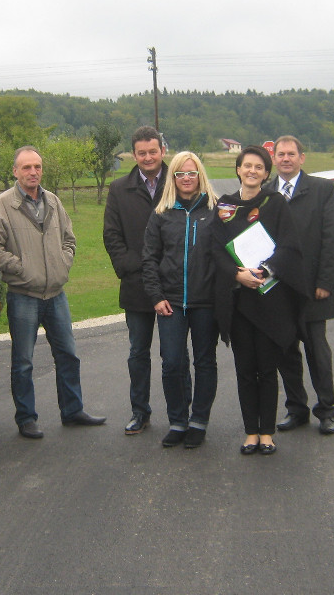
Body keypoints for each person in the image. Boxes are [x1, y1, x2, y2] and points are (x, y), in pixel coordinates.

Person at [0, 146, 106, 438]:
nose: (33, 172)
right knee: (23, 362)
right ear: (15, 171)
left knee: (68, 355)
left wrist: (63, 263)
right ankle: (26, 418)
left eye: (37, 166)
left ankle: (72, 410)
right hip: (23, 295)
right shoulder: (2, 206)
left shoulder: (53, 201)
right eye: (26, 167)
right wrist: (22, 269)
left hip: (56, 295)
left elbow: (69, 239)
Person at [210, 145, 308, 455]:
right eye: (247, 165)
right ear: (238, 169)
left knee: (266, 369)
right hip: (238, 301)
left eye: (259, 167)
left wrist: (265, 270)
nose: (252, 171)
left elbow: (289, 246)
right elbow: (215, 249)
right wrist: (236, 274)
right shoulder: (224, 207)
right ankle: (250, 432)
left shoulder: (275, 204)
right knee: (244, 369)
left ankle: (267, 433)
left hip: (269, 299)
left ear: (266, 174)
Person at [141, 151, 219, 449]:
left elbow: (226, 254)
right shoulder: (161, 213)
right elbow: (149, 258)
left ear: (200, 176)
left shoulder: (214, 210)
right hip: (170, 302)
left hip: (205, 301)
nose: (187, 179)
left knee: (205, 362)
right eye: (180, 174)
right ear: (173, 178)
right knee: (172, 362)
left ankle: (198, 421)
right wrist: (156, 296)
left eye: (191, 173)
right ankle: (178, 420)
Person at [272, 135, 334, 435]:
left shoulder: (322, 190)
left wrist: (325, 281)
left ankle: (326, 410)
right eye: (281, 154)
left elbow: (332, 238)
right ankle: (296, 409)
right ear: (274, 158)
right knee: (286, 354)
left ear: (302, 158)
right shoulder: (266, 193)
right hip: (278, 291)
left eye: (291, 154)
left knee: (317, 353)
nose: (286, 159)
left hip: (313, 289)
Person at [102, 126, 168, 435]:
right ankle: (140, 412)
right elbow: (111, 235)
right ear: (133, 155)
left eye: (153, 151)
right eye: (142, 153)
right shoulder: (119, 189)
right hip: (136, 285)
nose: (148, 157)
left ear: (162, 151)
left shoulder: (178, 181)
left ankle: (180, 414)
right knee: (138, 354)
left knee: (174, 356)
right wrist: (131, 266)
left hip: (171, 284)